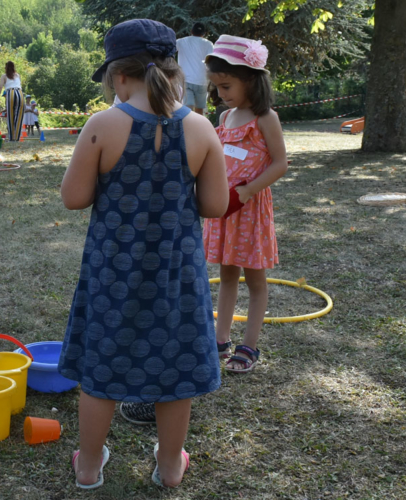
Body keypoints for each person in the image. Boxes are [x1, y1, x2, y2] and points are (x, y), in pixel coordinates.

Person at [57, 19, 228, 490]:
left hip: (114, 272)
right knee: (174, 367)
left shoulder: (102, 126)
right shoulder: (200, 129)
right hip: (177, 275)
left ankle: (89, 466)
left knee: (101, 366)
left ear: (118, 75)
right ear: (175, 71)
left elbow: (73, 198)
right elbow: (215, 206)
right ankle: (171, 466)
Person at [204, 35, 288, 374]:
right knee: (226, 274)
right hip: (226, 209)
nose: (221, 94)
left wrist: (249, 190)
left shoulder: (265, 118)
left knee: (254, 281)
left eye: (226, 85)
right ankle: (220, 339)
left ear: (251, 79)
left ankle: (249, 345)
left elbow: (280, 163)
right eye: (217, 88)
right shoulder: (225, 120)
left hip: (249, 210)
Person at [176, 22, 215, 116]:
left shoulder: (181, 41)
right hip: (202, 81)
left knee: (187, 108)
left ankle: (187, 128)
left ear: (191, 31)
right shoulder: (208, 44)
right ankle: (199, 129)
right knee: (199, 111)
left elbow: (169, 49)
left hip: (186, 80)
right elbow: (211, 61)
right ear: (204, 33)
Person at [0, 61, 25, 141]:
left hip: (10, 93)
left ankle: (12, 138)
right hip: (20, 93)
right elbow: (19, 86)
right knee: (19, 116)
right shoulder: (17, 75)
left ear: (6, 68)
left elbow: (0, 86)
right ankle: (17, 138)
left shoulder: (4, 76)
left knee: (10, 116)